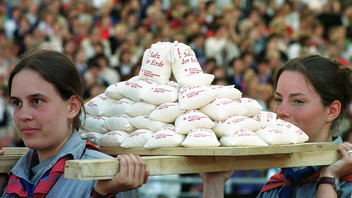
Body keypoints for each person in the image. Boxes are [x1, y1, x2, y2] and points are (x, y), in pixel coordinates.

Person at [0, 49, 148, 197]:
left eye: (37, 101)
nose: (23, 115)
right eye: (17, 103)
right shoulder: (16, 174)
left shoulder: (108, 175)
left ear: (72, 107)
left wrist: (100, 194)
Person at [200, 54, 352, 198]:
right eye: (278, 99)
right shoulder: (277, 183)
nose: (280, 111)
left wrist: (327, 180)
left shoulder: (347, 183)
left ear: (332, 111)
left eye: (298, 101)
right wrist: (214, 183)